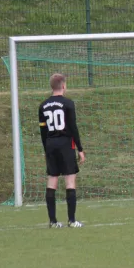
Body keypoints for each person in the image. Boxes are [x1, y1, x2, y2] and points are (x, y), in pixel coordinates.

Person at [39, 74, 86, 228]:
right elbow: (73, 128)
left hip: (51, 144)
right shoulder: (68, 103)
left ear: (52, 86)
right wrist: (80, 149)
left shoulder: (43, 105)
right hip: (66, 144)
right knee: (70, 181)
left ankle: (53, 221)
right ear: (64, 86)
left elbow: (43, 132)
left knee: (52, 179)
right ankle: (72, 220)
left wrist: (46, 150)